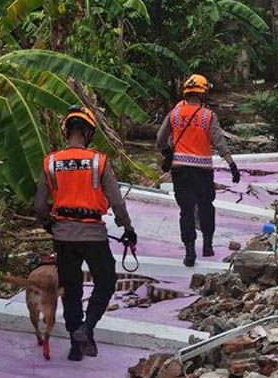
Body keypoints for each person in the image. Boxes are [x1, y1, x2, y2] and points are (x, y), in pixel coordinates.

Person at [34, 105, 137, 362]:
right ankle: (87, 327)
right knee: (106, 280)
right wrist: (128, 228)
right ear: (88, 132)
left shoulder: (51, 162)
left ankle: (75, 347)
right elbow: (116, 201)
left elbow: (38, 205)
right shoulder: (98, 162)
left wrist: (48, 224)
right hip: (93, 235)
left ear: (67, 131)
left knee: (71, 289)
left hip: (63, 237)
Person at [156, 74, 240, 267]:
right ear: (203, 94)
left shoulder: (174, 114)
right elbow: (219, 142)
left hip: (180, 170)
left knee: (186, 210)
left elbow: (160, 138)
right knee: (206, 206)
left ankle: (189, 251)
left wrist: (167, 153)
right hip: (202, 170)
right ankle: (207, 245)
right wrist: (232, 165)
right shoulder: (208, 115)